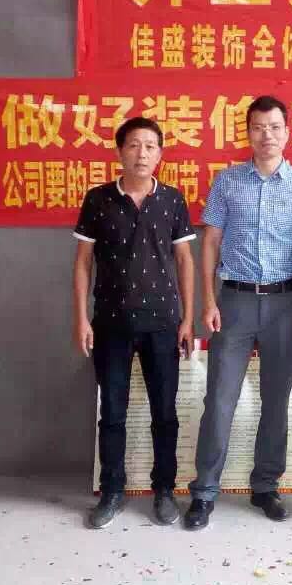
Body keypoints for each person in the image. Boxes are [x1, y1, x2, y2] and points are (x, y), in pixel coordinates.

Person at [184, 95, 292, 531]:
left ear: (288, 132)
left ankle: (265, 486)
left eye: (275, 127)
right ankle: (204, 491)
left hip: (285, 303)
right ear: (247, 132)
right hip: (235, 302)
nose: (267, 135)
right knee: (219, 399)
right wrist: (209, 301)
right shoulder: (227, 182)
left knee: (276, 400)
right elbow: (210, 242)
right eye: (259, 127)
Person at [73, 116, 196, 529]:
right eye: (134, 145)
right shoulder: (98, 199)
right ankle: (112, 490)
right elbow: (83, 263)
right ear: (120, 151)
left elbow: (185, 261)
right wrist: (81, 319)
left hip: (163, 323)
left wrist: (187, 319)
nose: (142, 153)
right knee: (112, 413)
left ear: (160, 154)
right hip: (110, 322)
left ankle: (164, 491)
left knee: (165, 413)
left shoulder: (172, 200)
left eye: (150, 146)